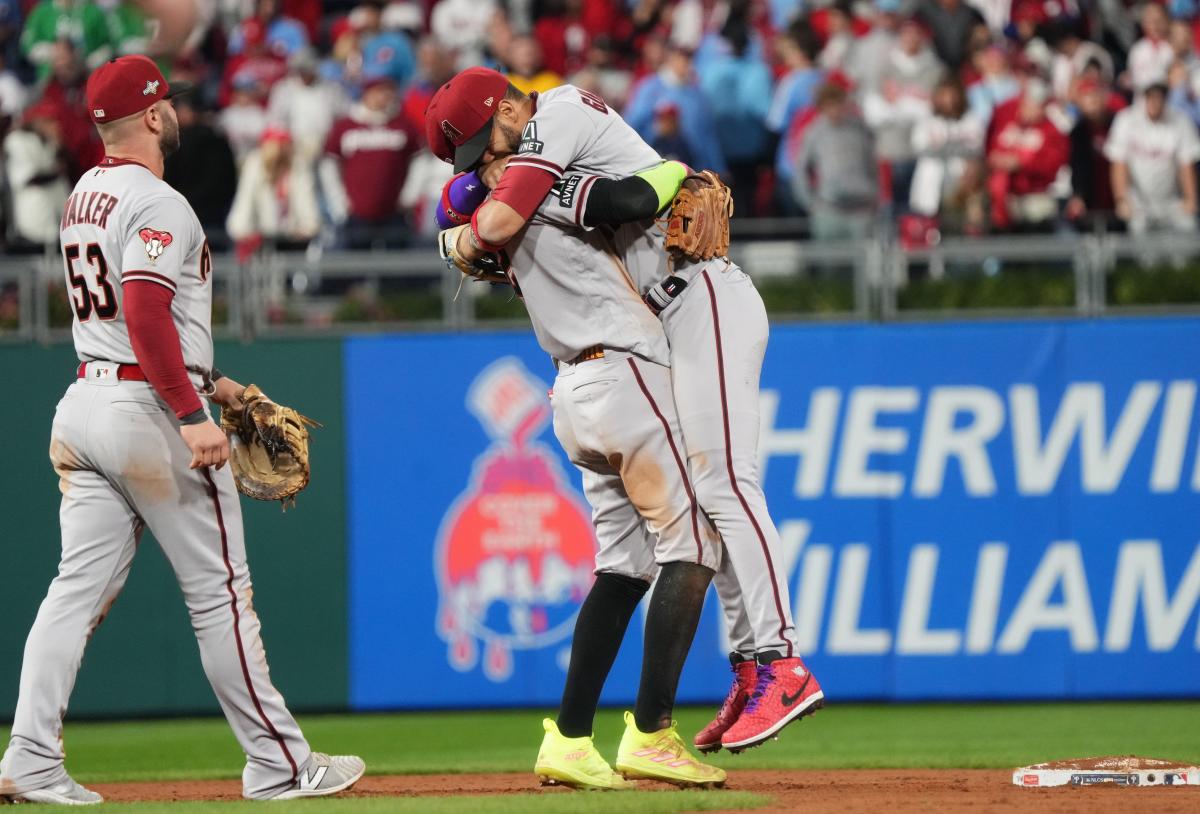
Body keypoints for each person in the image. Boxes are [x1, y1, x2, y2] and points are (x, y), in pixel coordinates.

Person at [0, 55, 363, 806]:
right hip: (149, 416)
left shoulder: (83, 196)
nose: (175, 111)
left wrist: (218, 385)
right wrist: (195, 414)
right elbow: (141, 311)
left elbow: (131, 326)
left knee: (74, 594)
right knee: (222, 596)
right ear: (155, 115)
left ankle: (30, 757)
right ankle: (281, 767)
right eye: (168, 101)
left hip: (87, 404)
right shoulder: (160, 202)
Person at [426, 67, 728, 791]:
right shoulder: (550, 176)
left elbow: (473, 219)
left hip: (571, 391)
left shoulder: (518, 180)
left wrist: (456, 235)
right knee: (694, 543)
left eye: (483, 149)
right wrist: (678, 167)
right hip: (622, 370)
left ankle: (568, 738)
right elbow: (627, 196)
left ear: (504, 109)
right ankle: (652, 733)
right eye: (475, 161)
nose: (486, 164)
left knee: (623, 568)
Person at [322, 74, 420, 249]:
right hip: (356, 215)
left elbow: (420, 161)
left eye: (387, 91)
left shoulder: (402, 125)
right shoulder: (346, 126)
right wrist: (339, 203)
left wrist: (409, 197)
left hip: (394, 213)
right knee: (353, 269)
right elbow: (329, 165)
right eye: (378, 91)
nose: (383, 96)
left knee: (398, 268)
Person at [1106, 81, 1200, 235]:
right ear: (1144, 98)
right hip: (1138, 201)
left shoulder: (1181, 121)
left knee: (1187, 231)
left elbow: (1186, 164)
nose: (1156, 101)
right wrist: (1121, 199)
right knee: (1141, 239)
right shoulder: (1126, 120)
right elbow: (1119, 163)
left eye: (1160, 97)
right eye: (1151, 96)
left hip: (1171, 199)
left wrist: (1190, 199)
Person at [793, 81, 879, 239]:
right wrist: (810, 203)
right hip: (829, 210)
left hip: (860, 210)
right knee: (829, 261)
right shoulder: (814, 133)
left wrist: (874, 195)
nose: (835, 111)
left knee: (864, 260)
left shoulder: (859, 130)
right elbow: (800, 171)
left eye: (838, 105)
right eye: (829, 106)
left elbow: (872, 165)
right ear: (822, 107)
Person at [984, 80, 1069, 231]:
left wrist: (1022, 164)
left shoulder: (1052, 131)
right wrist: (997, 159)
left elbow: (1053, 164)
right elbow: (990, 148)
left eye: (1038, 105)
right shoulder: (1006, 120)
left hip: (1034, 194)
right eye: (1029, 103)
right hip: (1000, 197)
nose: (1033, 109)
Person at [226, 127, 321, 250]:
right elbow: (245, 202)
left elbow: (307, 204)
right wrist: (243, 230)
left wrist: (308, 227)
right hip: (261, 240)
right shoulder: (255, 166)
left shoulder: (298, 168)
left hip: (293, 240)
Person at [3, 100, 70, 246]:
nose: (54, 126)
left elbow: (64, 167)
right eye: (49, 121)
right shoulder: (17, 140)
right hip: (31, 219)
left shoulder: (48, 142)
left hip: (53, 221)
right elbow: (29, 177)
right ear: (37, 121)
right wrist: (56, 172)